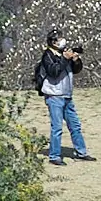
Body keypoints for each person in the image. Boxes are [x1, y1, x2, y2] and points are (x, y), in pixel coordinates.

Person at [35, 29, 93, 165]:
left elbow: (76, 70)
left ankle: (81, 152)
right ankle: (54, 156)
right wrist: (65, 58)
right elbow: (54, 71)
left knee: (75, 125)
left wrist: (76, 60)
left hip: (67, 95)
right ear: (53, 42)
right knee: (57, 127)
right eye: (59, 38)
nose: (62, 40)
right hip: (54, 96)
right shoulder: (48, 55)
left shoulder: (63, 53)